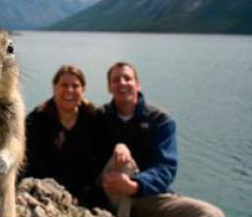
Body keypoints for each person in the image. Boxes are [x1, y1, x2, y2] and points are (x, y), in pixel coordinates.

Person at [95, 62, 224, 217]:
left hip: (145, 195)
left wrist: (135, 185)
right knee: (123, 163)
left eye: (127, 78)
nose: (122, 83)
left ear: (138, 85)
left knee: (210, 214)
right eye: (116, 80)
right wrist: (119, 147)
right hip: (109, 193)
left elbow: (165, 167)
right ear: (109, 87)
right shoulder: (98, 117)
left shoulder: (160, 120)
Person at [20, 65, 101, 207]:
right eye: (64, 85)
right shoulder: (37, 120)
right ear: (54, 87)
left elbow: (100, 161)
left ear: (83, 89)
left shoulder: (94, 119)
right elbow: (28, 162)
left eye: (75, 86)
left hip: (86, 196)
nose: (69, 90)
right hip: (45, 193)